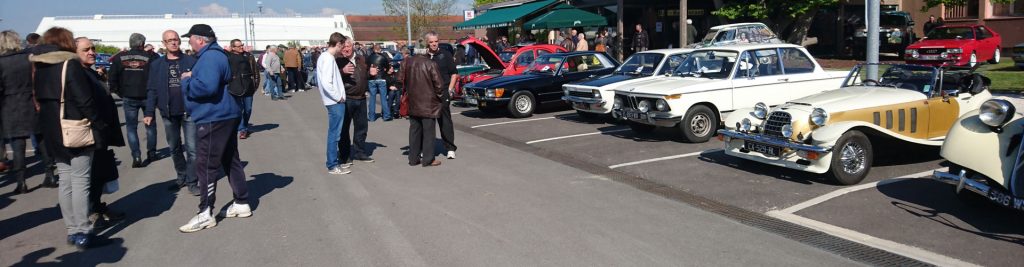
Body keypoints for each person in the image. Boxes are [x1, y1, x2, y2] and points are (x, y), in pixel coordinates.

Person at [30, 27, 108, 249]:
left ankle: (72, 229)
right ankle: (84, 231)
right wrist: (98, 123)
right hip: (74, 126)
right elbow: (84, 99)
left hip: (51, 128)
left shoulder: (38, 64)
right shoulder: (69, 63)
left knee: (65, 181)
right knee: (81, 180)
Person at [177, 24, 251, 233]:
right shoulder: (216, 55)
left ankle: (205, 212)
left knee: (207, 165)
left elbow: (206, 87)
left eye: (190, 38)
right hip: (225, 114)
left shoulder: (209, 57)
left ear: (200, 40)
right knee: (230, 159)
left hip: (214, 117)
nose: (188, 42)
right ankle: (241, 202)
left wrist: (186, 81)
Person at [75, 37, 126, 230]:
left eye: (92, 48)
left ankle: (97, 206)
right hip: (90, 133)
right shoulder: (78, 74)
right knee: (92, 176)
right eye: (86, 49)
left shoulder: (90, 72)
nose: (92, 52)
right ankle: (92, 213)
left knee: (99, 174)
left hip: (100, 132)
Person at [143, 30, 200, 196]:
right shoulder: (156, 65)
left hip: (188, 112)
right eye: (169, 41)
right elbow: (152, 89)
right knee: (174, 148)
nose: (173, 43)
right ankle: (181, 176)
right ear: (164, 43)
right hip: (168, 112)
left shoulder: (192, 61)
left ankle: (192, 180)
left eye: (175, 40)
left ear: (179, 42)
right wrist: (149, 112)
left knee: (193, 149)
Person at [1, 30, 57, 193]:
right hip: (33, 102)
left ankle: (21, 182)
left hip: (10, 106)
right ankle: (50, 175)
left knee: (18, 146)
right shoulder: (29, 58)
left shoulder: (1, 63)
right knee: (42, 140)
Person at [109, 33, 157, 168]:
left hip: (128, 95)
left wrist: (120, 93)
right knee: (150, 125)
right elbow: (155, 75)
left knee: (131, 127)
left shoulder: (119, 58)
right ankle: (152, 152)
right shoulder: (150, 57)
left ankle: (136, 155)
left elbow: (112, 78)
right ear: (142, 44)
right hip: (147, 95)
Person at [400, 48, 444, 167]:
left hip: (413, 102)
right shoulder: (430, 63)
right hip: (428, 103)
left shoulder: (406, 62)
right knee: (429, 132)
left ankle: (413, 158)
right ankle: (428, 159)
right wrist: (439, 98)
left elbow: (399, 80)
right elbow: (439, 85)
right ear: (425, 50)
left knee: (414, 131)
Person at [317, 32, 352, 175]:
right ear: (338, 44)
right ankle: (332, 164)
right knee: (334, 134)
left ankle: (334, 162)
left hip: (334, 101)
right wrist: (338, 97)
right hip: (334, 102)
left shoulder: (326, 57)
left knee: (335, 133)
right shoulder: (328, 59)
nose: (342, 49)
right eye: (342, 46)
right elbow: (326, 83)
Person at [337, 38, 375, 165]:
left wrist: (371, 74)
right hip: (346, 98)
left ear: (353, 46)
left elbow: (364, 75)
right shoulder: (338, 61)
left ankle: (360, 152)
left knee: (361, 127)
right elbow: (331, 77)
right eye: (343, 47)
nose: (346, 49)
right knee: (344, 129)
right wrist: (342, 72)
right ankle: (345, 155)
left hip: (361, 98)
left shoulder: (361, 58)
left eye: (348, 46)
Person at [425, 31, 458, 159]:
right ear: (427, 43)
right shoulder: (425, 57)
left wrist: (450, 89)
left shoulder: (446, 54)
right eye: (431, 42)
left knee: (445, 122)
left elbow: (454, 73)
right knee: (428, 123)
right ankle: (427, 149)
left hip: (443, 92)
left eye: (436, 41)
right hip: (429, 94)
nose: (434, 44)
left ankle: (450, 148)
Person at [226, 39, 260, 139]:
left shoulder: (248, 56)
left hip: (248, 86)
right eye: (239, 46)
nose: (241, 47)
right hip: (236, 86)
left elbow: (255, 71)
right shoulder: (228, 57)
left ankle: (243, 125)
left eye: (242, 45)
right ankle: (242, 129)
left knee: (248, 109)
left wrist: (255, 85)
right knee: (239, 109)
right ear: (232, 47)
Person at [367, 43, 392, 122]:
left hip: (372, 79)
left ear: (374, 49)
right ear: (380, 49)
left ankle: (371, 117)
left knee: (372, 98)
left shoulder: (369, 57)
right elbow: (388, 67)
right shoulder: (383, 57)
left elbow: (367, 66)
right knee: (383, 98)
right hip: (381, 78)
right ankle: (386, 116)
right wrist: (384, 69)